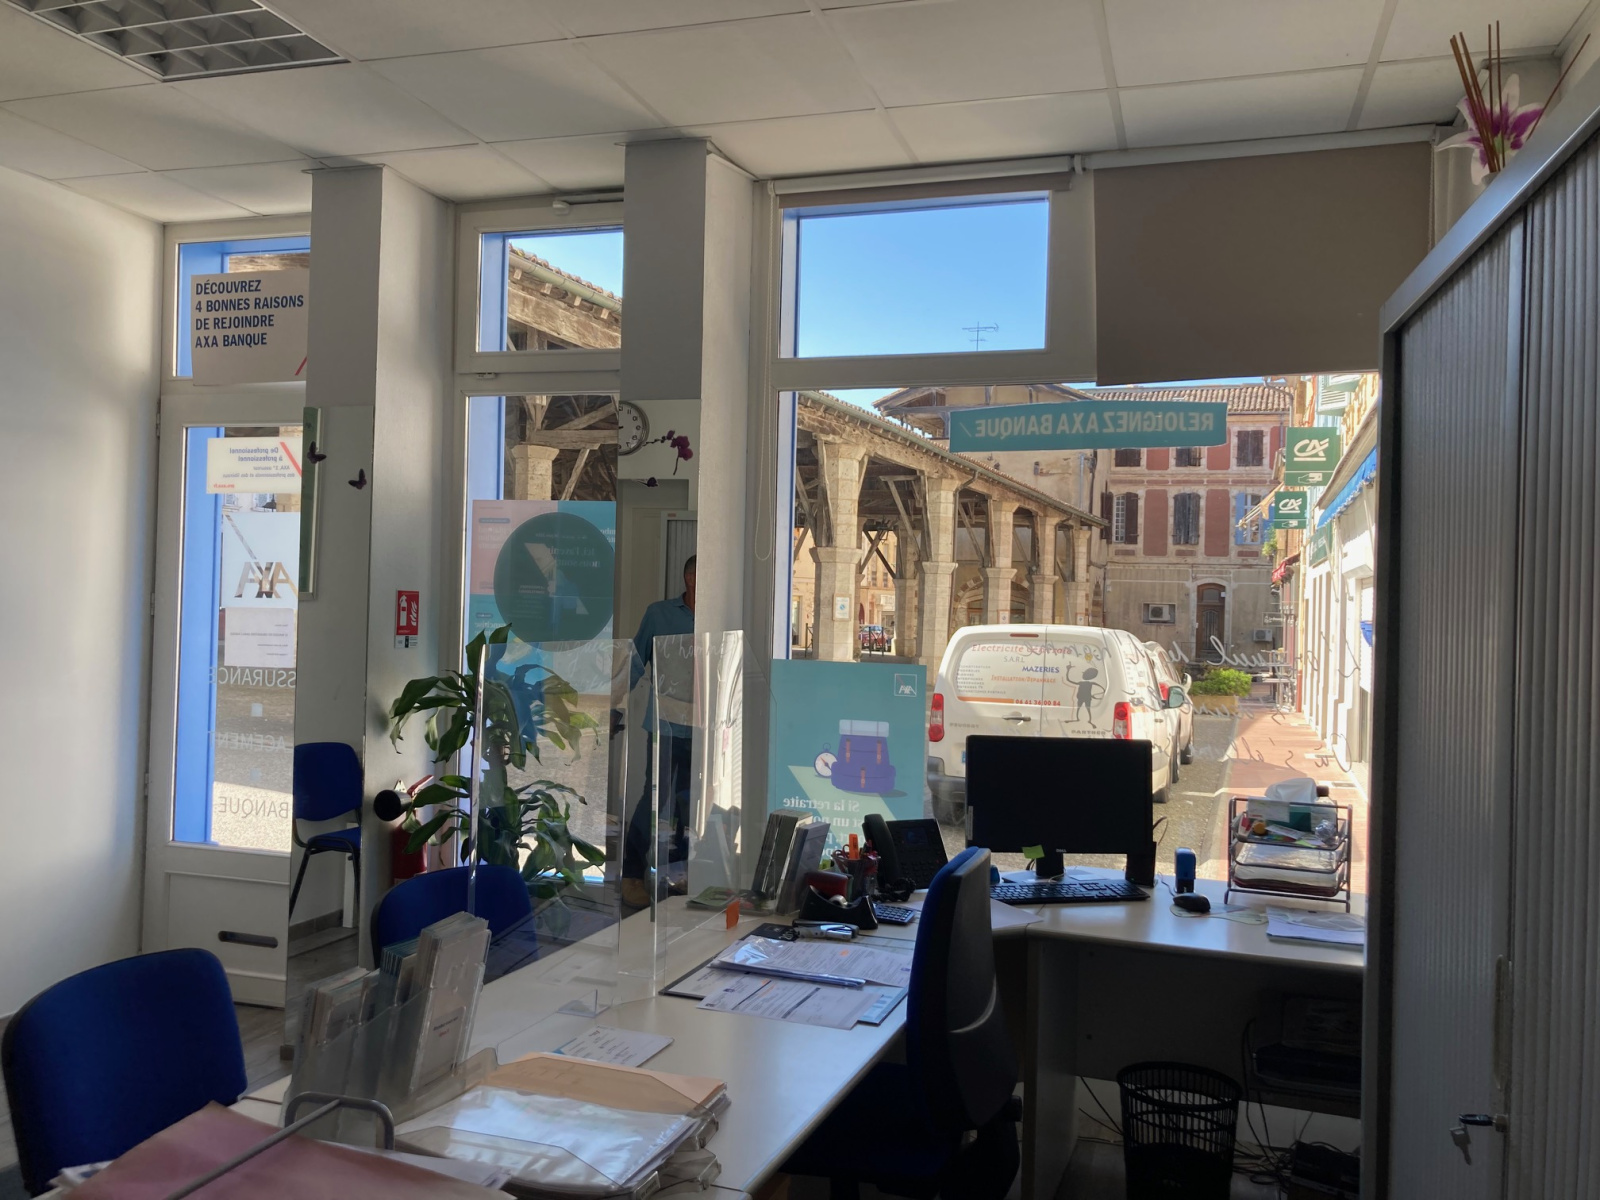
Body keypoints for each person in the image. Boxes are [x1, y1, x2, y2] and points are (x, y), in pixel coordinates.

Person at [620, 557, 696, 910]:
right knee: (654, 799)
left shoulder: (721, 615)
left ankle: (682, 875)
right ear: (689, 578)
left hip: (706, 729)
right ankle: (632, 875)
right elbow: (635, 661)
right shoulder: (659, 614)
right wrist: (614, 704)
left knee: (691, 805)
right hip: (665, 726)